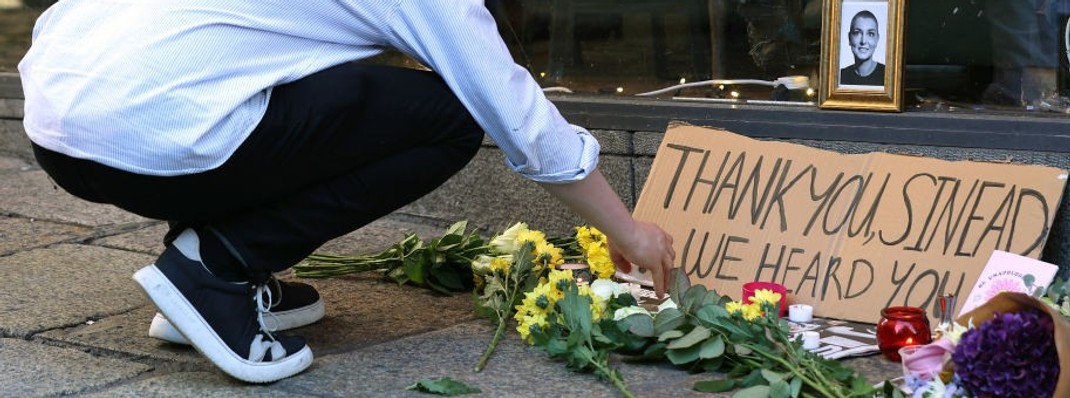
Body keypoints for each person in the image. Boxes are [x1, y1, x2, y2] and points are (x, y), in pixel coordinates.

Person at [18, 1, 676, 383]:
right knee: (447, 116)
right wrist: (628, 230)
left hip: (61, 133)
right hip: (157, 129)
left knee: (290, 80)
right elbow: (508, 106)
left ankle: (214, 267)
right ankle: (214, 269)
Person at [839, 10, 886, 86]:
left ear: (877, 39)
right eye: (857, 33)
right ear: (849, 38)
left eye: (870, 34)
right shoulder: (839, 76)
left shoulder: (888, 76)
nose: (863, 41)